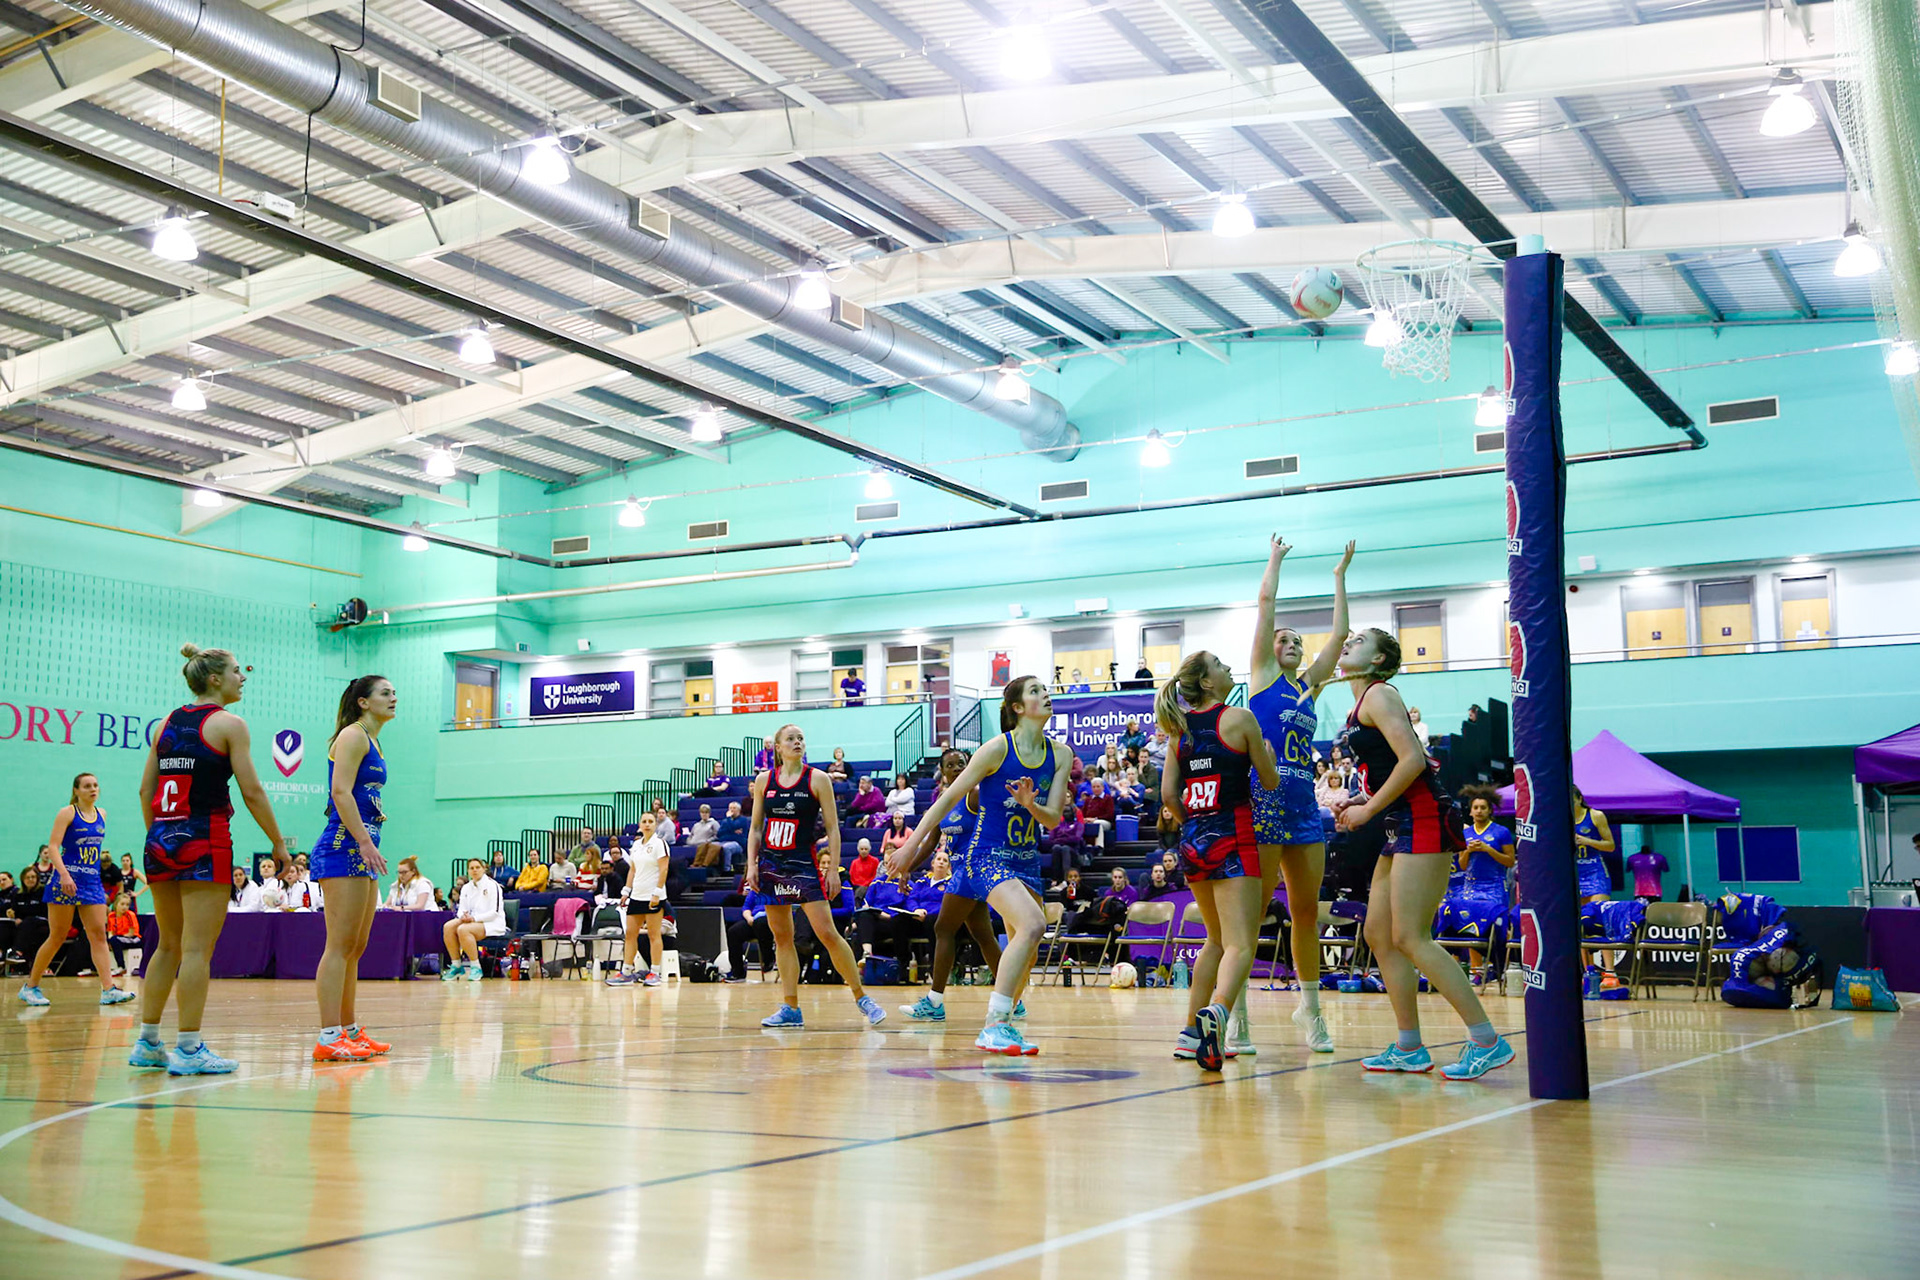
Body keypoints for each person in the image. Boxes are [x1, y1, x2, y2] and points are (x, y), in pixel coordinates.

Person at [1332, 628, 1512, 1081]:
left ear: (1378, 661)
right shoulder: (1360, 703)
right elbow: (1390, 768)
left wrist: (1369, 808)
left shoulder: (1380, 694)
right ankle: (1409, 1046)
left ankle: (1487, 1041)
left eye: (1359, 642)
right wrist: (1361, 799)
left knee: (1411, 937)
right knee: (1378, 932)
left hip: (1425, 818)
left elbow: (1412, 759)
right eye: (1348, 640)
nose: (1348, 643)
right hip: (1399, 823)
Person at [888, 676, 1068, 1055]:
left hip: (1026, 859)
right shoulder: (996, 750)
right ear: (1017, 707)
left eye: (1044, 690)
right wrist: (908, 848)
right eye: (1036, 691)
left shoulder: (1061, 754)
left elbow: (1052, 819)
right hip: (986, 855)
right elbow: (947, 798)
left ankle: (1008, 1017)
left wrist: (1030, 804)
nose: (1045, 695)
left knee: (1029, 949)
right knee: (1034, 924)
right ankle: (994, 1025)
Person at [132, 644, 290, 1075]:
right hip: (205, 839)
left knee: (166, 945)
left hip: (161, 838)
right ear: (216, 678)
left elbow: (146, 791)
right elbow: (252, 791)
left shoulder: (167, 721)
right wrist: (278, 842)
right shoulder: (229, 724)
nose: (244, 677)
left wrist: (159, 834)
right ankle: (188, 1048)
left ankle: (147, 1042)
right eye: (238, 671)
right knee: (197, 950)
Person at [1241, 535, 1352, 1056]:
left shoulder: (1309, 688)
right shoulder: (1261, 678)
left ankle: (1311, 1009)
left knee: (1307, 912)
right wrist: (1276, 558)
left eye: (1295, 643)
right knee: (1254, 914)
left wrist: (1338, 578)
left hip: (1304, 806)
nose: (1291, 645)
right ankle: (1235, 1010)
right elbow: (1266, 606)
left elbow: (1340, 635)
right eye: (1284, 640)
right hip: (1262, 801)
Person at [1158, 652, 1281, 1071]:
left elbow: (1168, 797)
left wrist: (1192, 822)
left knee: (1214, 938)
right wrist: (1265, 753)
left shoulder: (1179, 732)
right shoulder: (1241, 719)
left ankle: (1190, 1033)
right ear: (1207, 683)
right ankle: (1219, 1012)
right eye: (1219, 664)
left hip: (1193, 840)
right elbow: (1269, 781)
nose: (1227, 667)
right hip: (1234, 833)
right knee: (1241, 942)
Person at [746, 724, 886, 1027]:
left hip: (803, 864)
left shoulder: (818, 779)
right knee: (782, 937)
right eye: (790, 739)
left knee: (827, 933)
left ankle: (863, 998)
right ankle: (791, 1008)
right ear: (778, 748)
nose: (797, 742)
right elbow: (756, 828)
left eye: (800, 738)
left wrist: (835, 868)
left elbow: (834, 829)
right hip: (772, 864)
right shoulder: (763, 781)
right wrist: (752, 865)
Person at [898, 748, 1023, 1023]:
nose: (956, 768)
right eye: (951, 765)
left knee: (943, 928)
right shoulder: (945, 800)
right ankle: (1014, 999)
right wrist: (907, 868)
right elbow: (931, 842)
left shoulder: (975, 795)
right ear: (942, 772)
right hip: (963, 873)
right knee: (984, 936)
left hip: (975, 868)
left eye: (961, 764)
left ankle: (934, 1002)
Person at [309, 675, 395, 1062]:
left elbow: (360, 794)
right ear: (363, 702)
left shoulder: (374, 739)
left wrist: (374, 818)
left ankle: (349, 1030)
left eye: (394, 693)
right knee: (339, 946)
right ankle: (328, 1036)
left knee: (356, 948)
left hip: (363, 848)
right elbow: (340, 792)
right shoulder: (353, 735)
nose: (393, 698)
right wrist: (363, 839)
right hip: (343, 847)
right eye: (385, 693)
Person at [19, 772, 136, 1008]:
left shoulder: (102, 814)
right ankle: (30, 987)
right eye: (87, 786)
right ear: (76, 790)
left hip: (91, 881)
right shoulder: (67, 813)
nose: (93, 789)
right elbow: (53, 847)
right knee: (57, 936)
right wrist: (63, 875)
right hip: (65, 880)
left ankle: (108, 989)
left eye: (95, 785)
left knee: (99, 936)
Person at [1454, 784, 1517, 974]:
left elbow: (1509, 861)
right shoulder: (1465, 833)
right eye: (1476, 808)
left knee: (1497, 929)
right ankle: (1476, 970)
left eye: (1483, 807)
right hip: (1471, 886)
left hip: (1495, 886)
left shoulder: (1501, 832)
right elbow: (1462, 865)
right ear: (1471, 811)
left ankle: (1502, 968)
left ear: (1490, 810)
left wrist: (1489, 849)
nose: (1479, 811)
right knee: (1472, 926)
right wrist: (1468, 850)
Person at [608, 813, 670, 986]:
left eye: (651, 821)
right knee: (630, 934)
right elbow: (633, 871)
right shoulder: (635, 845)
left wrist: (657, 893)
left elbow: (664, 869)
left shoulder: (660, 844)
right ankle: (627, 972)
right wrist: (626, 891)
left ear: (656, 824)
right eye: (644, 822)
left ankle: (655, 972)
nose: (647, 824)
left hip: (653, 896)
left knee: (653, 934)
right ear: (640, 825)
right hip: (637, 896)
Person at [1573, 784, 1621, 985]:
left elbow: (1610, 845)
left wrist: (1586, 840)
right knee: (1581, 924)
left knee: (1599, 918)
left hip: (1595, 873)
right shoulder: (1559, 818)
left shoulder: (1595, 815)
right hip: (1575, 873)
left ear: (1579, 798)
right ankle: (1588, 971)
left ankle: (1610, 972)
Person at [443, 857, 505, 979]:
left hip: (492, 923)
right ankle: (456, 965)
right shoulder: (466, 887)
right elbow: (461, 909)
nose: (475, 870)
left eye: (477, 867)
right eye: (471, 868)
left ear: (484, 869)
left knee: (463, 929)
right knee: (448, 926)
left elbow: (495, 912)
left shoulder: (493, 885)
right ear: (468, 871)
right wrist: (463, 916)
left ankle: (476, 967)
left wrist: (473, 918)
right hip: (472, 921)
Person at [724, 889, 774, 982]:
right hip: (754, 920)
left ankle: (768, 959)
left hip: (774, 921)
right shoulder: (755, 890)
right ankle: (737, 973)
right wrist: (749, 918)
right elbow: (746, 907)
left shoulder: (778, 888)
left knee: (761, 924)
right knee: (733, 932)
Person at [105, 890, 142, 975]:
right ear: (116, 904)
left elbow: (131, 933)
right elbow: (110, 932)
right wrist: (109, 941)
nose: (125, 907)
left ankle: (121, 966)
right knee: (105, 941)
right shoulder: (111, 916)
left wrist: (114, 939)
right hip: (120, 938)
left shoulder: (130, 915)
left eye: (127, 905)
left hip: (134, 939)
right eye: (122, 904)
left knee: (115, 940)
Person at [1081, 777, 1115, 850]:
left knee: (1097, 824)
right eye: (1094, 787)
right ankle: (1085, 846)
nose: (1096, 789)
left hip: (1104, 822)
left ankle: (1099, 847)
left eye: (1098, 786)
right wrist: (1084, 819)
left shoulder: (1108, 799)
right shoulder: (1088, 799)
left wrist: (1095, 819)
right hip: (1089, 820)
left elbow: (1110, 815)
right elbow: (1083, 813)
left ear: (1103, 787)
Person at [715, 801, 749, 872]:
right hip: (724, 841)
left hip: (738, 844)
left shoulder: (743, 820)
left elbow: (734, 826)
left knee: (727, 847)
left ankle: (727, 869)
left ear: (739, 810)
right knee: (711, 845)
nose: (732, 810)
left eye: (734, 808)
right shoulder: (725, 821)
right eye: (730, 808)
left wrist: (729, 820)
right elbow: (719, 834)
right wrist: (732, 831)